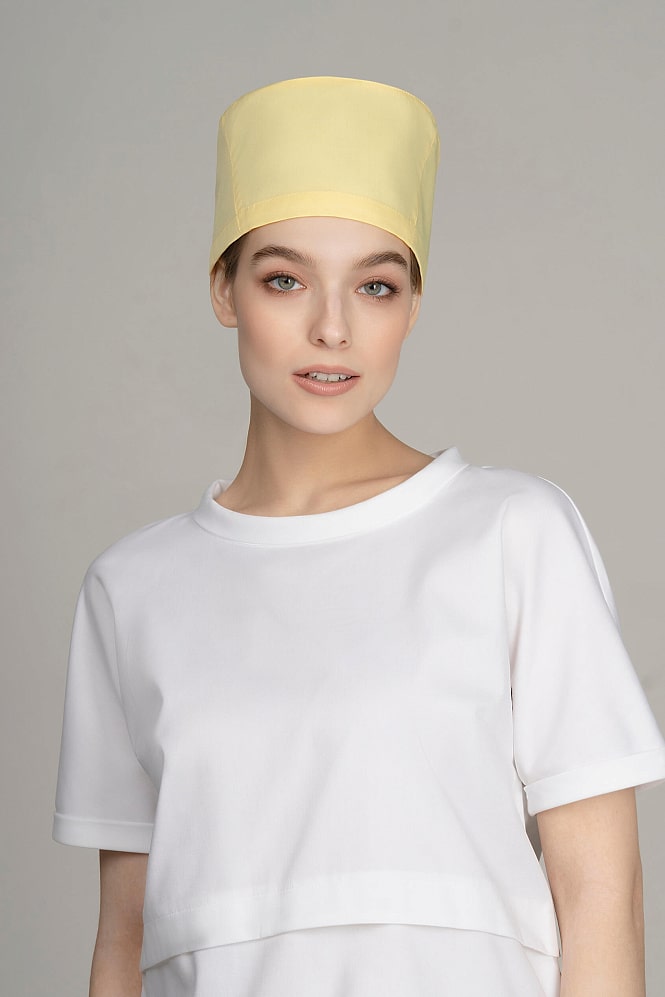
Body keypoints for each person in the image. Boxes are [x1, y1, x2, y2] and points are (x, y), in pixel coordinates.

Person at [52, 76, 665, 997]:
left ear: (410, 307)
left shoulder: (511, 532)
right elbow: (125, 938)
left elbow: (602, 897)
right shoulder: (131, 588)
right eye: (285, 279)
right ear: (223, 290)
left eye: (375, 286)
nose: (331, 328)